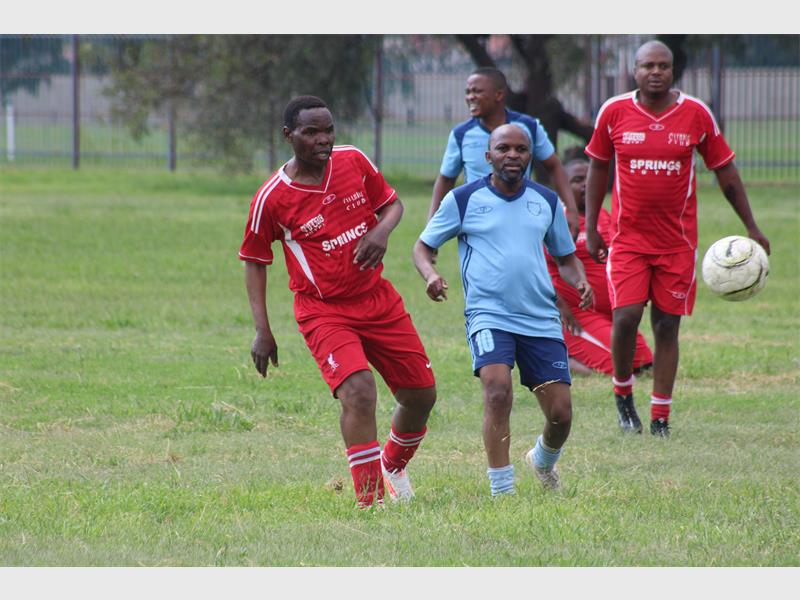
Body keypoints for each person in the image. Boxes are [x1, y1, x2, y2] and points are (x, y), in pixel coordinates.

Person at [239, 95, 437, 508]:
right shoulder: (272, 199)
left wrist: (381, 233)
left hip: (377, 299)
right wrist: (263, 330)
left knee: (421, 395)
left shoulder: (354, 162)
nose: (323, 139)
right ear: (288, 136)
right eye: (311, 132)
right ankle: (371, 503)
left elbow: (393, 205)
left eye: (328, 130)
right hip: (324, 311)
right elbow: (256, 262)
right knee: (360, 392)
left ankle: (394, 465)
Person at [584, 40, 771, 437]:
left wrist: (752, 226)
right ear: (633, 71)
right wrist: (590, 226)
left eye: (663, 66)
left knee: (667, 326)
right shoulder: (614, 112)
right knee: (626, 319)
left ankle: (660, 417)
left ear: (673, 71)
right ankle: (623, 396)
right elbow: (598, 167)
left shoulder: (696, 114)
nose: (656, 72)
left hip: (678, 243)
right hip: (628, 240)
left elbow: (726, 171)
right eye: (647, 65)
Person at [413, 124, 592, 496]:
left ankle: (542, 460)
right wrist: (430, 274)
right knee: (497, 391)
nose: (513, 155)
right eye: (504, 148)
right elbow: (422, 247)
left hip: (540, 318)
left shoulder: (545, 201)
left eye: (521, 149)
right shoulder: (463, 200)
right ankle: (502, 490)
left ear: (530, 157)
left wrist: (579, 281)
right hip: (488, 314)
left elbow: (566, 257)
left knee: (560, 414)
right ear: (488, 156)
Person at [429, 66, 580, 240]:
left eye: (477, 91)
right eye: (468, 92)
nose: (470, 97)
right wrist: (432, 227)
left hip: (521, 215)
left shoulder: (528, 127)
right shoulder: (461, 134)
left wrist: (571, 210)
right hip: (477, 219)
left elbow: (554, 166)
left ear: (499, 95)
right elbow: (446, 179)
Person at [546, 157, 653, 377]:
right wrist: (557, 304)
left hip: (610, 314)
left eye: (590, 178)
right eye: (577, 180)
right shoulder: (557, 220)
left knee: (645, 364)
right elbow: (534, 267)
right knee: (620, 370)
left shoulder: (602, 216)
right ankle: (555, 356)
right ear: (562, 187)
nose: (586, 184)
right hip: (576, 315)